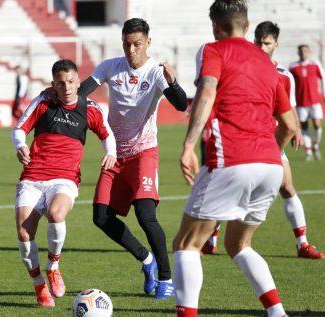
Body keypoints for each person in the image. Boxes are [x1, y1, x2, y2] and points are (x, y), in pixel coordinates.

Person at [172, 1, 297, 317]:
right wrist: (273, 155)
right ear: (247, 23)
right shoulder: (267, 62)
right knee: (239, 245)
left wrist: (189, 145)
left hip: (231, 158)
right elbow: (291, 124)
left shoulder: (215, 50)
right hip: (270, 165)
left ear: (215, 25)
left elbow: (207, 92)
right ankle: (277, 313)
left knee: (187, 244)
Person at [78, 18, 188, 299]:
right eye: (127, 44)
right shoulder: (110, 67)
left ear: (148, 42)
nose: (132, 50)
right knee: (101, 218)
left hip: (144, 154)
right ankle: (147, 260)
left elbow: (180, 103)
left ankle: (166, 278)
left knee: (146, 215)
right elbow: (80, 92)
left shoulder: (156, 72)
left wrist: (173, 82)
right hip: (114, 154)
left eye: (137, 44)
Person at [201, 21, 325, 260]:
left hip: (271, 140)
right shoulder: (243, 67)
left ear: (276, 44)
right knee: (230, 189)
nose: (262, 46)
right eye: (258, 41)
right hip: (243, 139)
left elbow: (288, 109)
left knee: (288, 187)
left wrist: (296, 130)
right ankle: (211, 239)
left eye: (267, 42)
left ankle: (302, 244)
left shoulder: (284, 75)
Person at [11, 59, 116, 308]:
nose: (67, 87)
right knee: (24, 233)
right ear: (53, 84)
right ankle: (39, 288)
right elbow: (18, 129)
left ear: (78, 82)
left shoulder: (90, 108)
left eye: (70, 82)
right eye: (61, 83)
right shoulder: (43, 102)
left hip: (64, 177)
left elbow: (107, 134)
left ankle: (53, 265)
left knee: (56, 214)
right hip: (33, 175)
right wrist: (21, 145)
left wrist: (110, 153)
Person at [289, 44, 325, 160]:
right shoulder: (293, 67)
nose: (303, 53)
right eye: (301, 51)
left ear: (309, 52)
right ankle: (308, 152)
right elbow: (289, 83)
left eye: (305, 51)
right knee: (304, 127)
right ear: (298, 53)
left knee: (317, 125)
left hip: (314, 101)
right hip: (301, 103)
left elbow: (323, 79)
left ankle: (315, 145)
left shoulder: (315, 64)